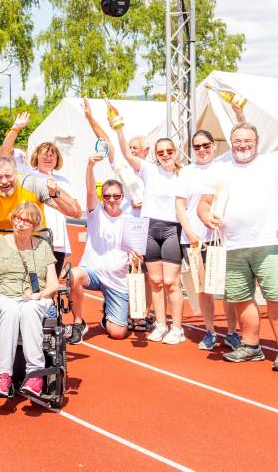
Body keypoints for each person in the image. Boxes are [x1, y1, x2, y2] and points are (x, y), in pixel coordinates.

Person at [199, 99, 278, 371]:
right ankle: (251, 345)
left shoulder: (274, 161)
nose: (242, 145)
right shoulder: (220, 167)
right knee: (240, 298)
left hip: (269, 243)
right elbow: (204, 202)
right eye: (237, 141)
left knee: (276, 298)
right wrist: (206, 215)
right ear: (231, 142)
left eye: (247, 140)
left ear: (257, 142)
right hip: (233, 246)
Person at [0, 202, 59, 398]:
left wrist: (37, 295)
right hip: (3, 296)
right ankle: (4, 376)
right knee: (11, 310)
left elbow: (53, 285)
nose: (20, 223)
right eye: (17, 218)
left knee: (28, 309)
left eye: (26, 220)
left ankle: (34, 375)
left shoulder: (43, 247)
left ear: (34, 225)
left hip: (34, 298)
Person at [114, 123, 185, 345]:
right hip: (150, 229)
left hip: (173, 229)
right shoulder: (149, 170)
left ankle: (177, 328)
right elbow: (126, 153)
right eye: (161, 152)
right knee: (154, 280)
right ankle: (161, 324)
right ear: (155, 155)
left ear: (176, 152)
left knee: (171, 282)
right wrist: (118, 129)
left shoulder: (183, 174)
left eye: (169, 151)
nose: (165, 155)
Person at [175, 129, 241, 350]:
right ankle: (210, 331)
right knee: (203, 288)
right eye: (197, 147)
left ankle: (232, 332)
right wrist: (190, 233)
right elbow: (180, 206)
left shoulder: (225, 167)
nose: (202, 150)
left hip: (222, 238)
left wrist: (238, 112)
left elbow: (244, 142)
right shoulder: (185, 172)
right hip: (194, 239)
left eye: (206, 145)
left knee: (228, 286)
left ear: (214, 145)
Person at [68, 155, 139, 342]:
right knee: (74, 275)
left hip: (117, 281)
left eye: (116, 196)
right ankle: (78, 322)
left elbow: (137, 251)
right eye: (107, 196)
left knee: (117, 333)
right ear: (102, 197)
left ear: (122, 197)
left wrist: (136, 257)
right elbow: (90, 191)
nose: (112, 199)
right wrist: (90, 165)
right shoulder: (95, 212)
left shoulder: (131, 220)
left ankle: (108, 313)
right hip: (92, 273)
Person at [0, 112, 82, 271]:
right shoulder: (26, 174)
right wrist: (15, 129)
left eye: (52, 155)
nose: (48, 158)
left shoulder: (64, 181)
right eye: (44, 155)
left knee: (51, 287)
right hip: (33, 238)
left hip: (57, 242)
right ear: (36, 157)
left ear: (57, 159)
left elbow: (76, 210)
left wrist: (57, 191)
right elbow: (3, 156)